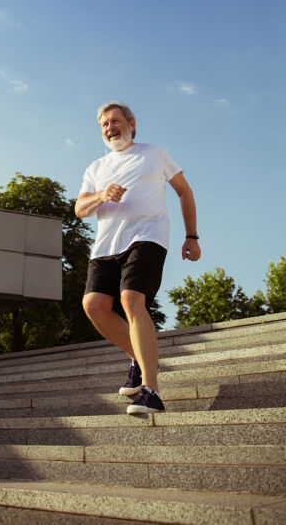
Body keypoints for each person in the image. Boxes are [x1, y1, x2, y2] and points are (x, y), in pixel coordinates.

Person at [75, 102, 201, 414]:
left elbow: (184, 192)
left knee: (131, 299)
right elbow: (79, 209)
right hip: (105, 246)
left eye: (115, 121)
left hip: (147, 236)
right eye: (104, 124)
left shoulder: (155, 153)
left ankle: (151, 391)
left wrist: (191, 236)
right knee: (93, 306)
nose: (109, 127)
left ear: (131, 123)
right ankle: (136, 357)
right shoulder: (95, 168)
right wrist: (102, 194)